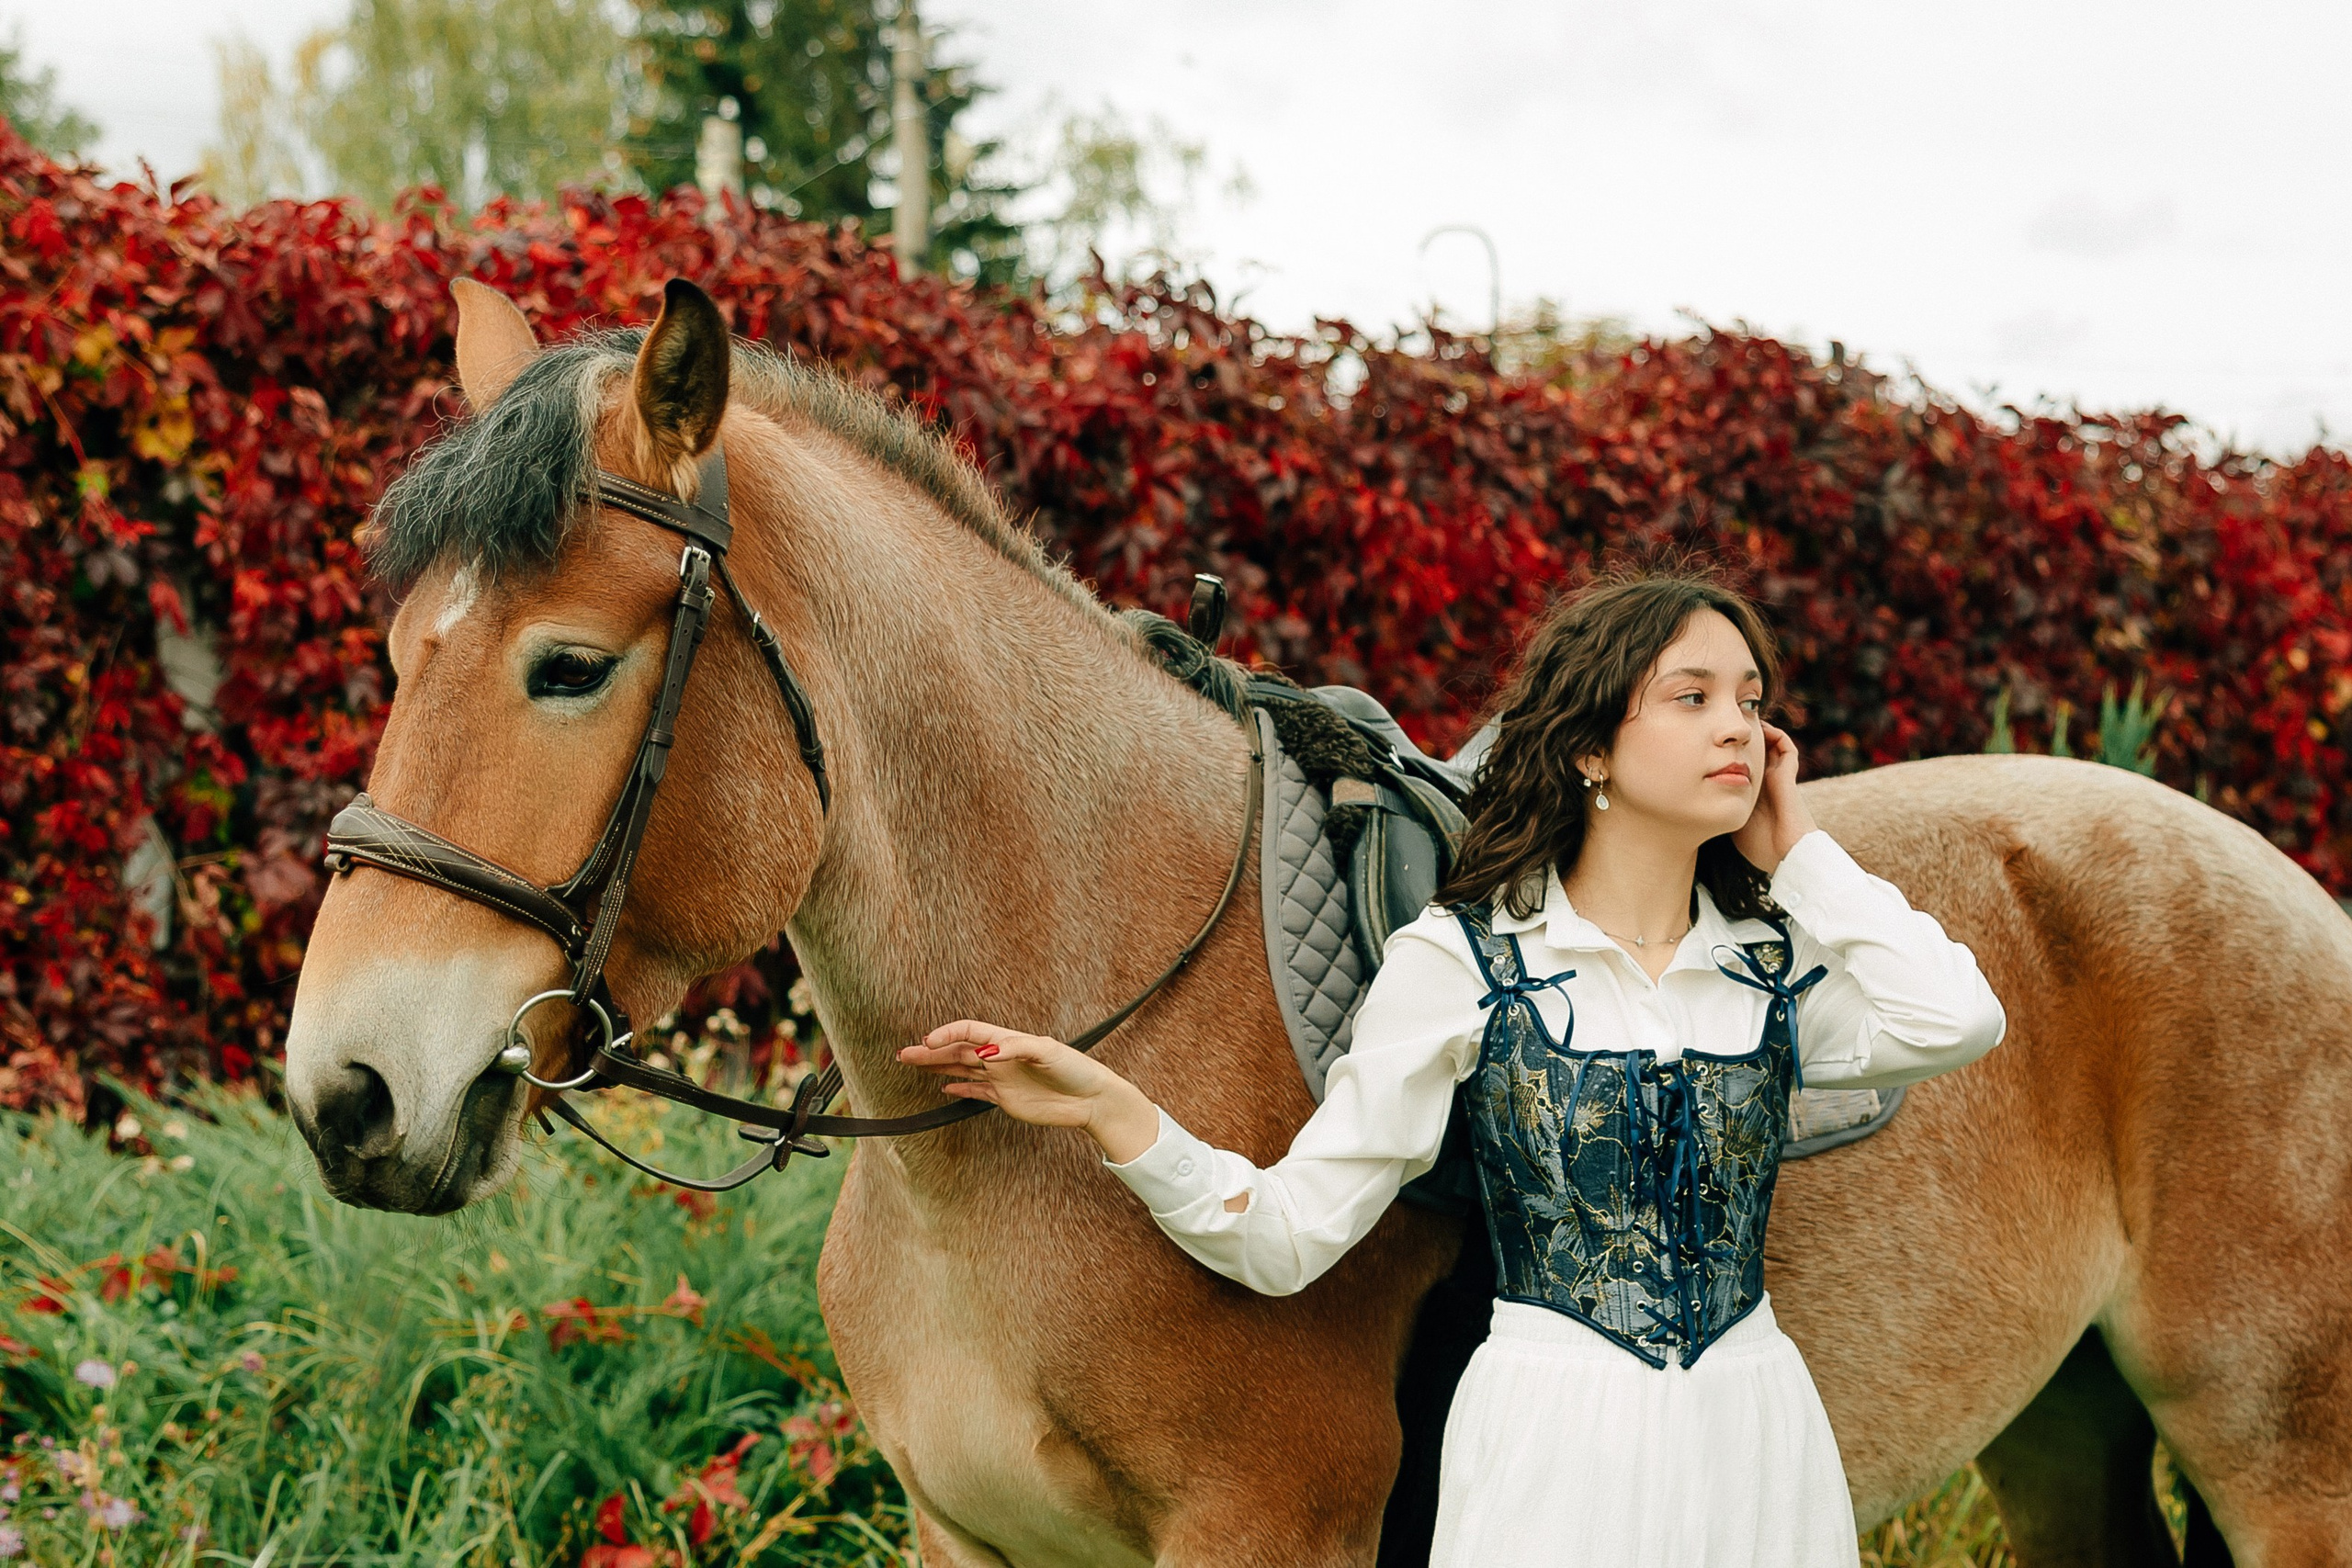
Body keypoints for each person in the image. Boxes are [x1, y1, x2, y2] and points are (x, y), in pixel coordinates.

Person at [899, 563, 2008, 1567]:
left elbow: (1956, 1017)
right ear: (1588, 750)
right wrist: (1115, 1112)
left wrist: (1800, 851)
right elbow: (1285, 1237)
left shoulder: (1764, 969)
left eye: (1753, 701)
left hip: (1761, 1436)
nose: (1743, 731)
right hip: (1551, 1446)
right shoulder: (1464, 960)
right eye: (1693, 697)